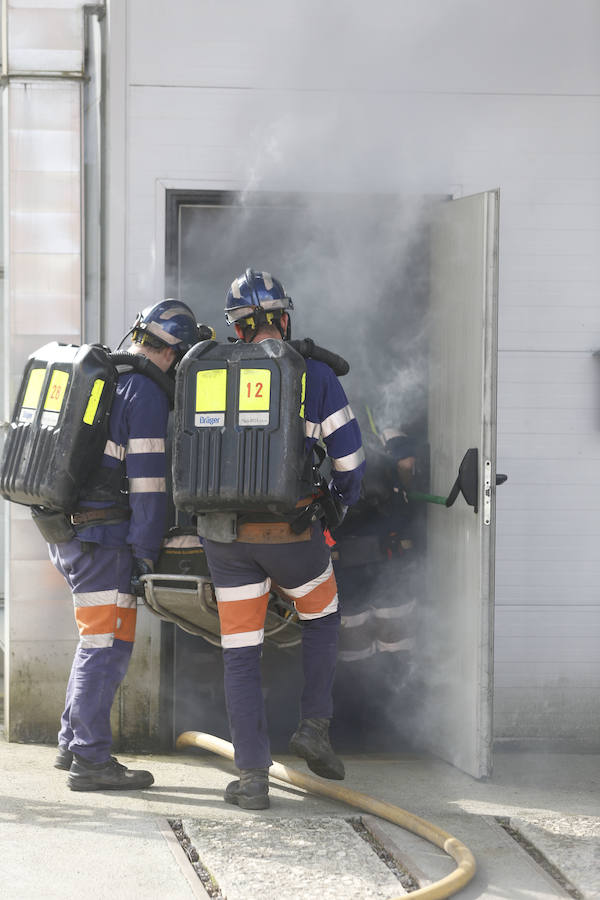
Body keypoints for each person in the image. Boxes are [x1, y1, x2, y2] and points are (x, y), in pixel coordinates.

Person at [201, 269, 365, 810]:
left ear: (237, 327)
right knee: (322, 614)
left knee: (241, 654)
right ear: (285, 318)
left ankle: (252, 778)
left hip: (225, 541)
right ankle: (314, 726)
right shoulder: (314, 373)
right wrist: (339, 501)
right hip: (293, 534)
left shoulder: (206, 372)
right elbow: (348, 459)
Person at [50, 299, 202, 791]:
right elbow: (148, 486)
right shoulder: (146, 393)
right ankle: (91, 761)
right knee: (108, 649)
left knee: (91, 642)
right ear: (174, 354)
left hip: (72, 532)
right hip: (107, 543)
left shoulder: (107, 375)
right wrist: (145, 551)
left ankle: (71, 742)